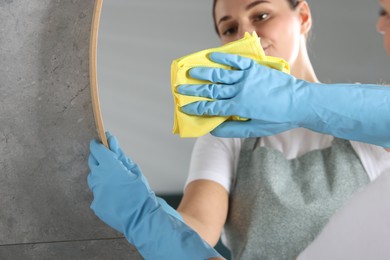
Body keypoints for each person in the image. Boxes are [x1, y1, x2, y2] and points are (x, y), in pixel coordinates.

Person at [87, 0, 390, 259]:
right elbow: (198, 227)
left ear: (303, 17)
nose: (247, 35)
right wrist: (147, 213)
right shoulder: (227, 138)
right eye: (230, 29)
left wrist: (296, 100)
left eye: (261, 15)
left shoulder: (363, 123)